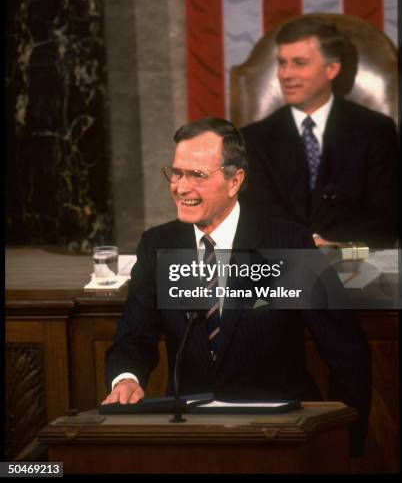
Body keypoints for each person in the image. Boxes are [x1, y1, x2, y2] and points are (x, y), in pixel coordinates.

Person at [102, 117, 371, 457]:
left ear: (235, 180)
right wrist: (125, 378)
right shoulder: (158, 245)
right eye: (176, 173)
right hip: (190, 439)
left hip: (277, 438)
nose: (181, 188)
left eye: (197, 175)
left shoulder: (286, 243)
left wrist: (342, 448)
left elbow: (348, 355)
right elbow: (133, 338)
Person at [240, 16, 399, 249]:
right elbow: (254, 218)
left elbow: (387, 219)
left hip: (355, 270)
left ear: (332, 69)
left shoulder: (376, 130)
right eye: (282, 63)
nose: (286, 74)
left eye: (299, 63)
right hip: (279, 273)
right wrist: (308, 245)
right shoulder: (253, 139)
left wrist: (335, 246)